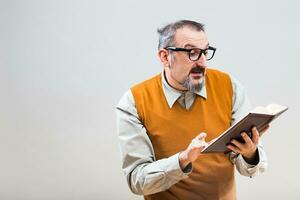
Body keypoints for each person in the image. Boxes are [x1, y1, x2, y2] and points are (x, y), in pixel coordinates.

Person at [116, 20, 268, 200]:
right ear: (165, 57)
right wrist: (183, 159)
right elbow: (137, 180)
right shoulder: (133, 101)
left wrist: (250, 154)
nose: (203, 63)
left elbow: (251, 168)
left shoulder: (230, 87)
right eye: (192, 53)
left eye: (205, 52)